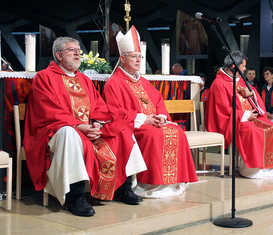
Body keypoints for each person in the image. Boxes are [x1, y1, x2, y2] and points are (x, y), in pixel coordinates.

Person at [23, 37, 146, 217]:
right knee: (69, 133)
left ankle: (122, 187)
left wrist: (98, 122)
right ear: (59, 55)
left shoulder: (84, 79)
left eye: (78, 50)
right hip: (54, 131)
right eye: (71, 50)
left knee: (122, 128)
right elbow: (47, 110)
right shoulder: (44, 77)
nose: (77, 53)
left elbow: (98, 106)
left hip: (87, 130)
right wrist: (78, 126)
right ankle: (75, 196)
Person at [102, 26, 198, 198]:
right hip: (132, 127)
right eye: (134, 57)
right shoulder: (114, 83)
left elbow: (158, 101)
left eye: (140, 57)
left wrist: (161, 117)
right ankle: (150, 184)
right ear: (123, 59)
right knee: (154, 136)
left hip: (152, 123)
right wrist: (143, 119)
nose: (138, 60)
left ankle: (173, 181)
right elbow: (114, 112)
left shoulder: (144, 82)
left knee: (177, 132)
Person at [205, 51, 273, 178]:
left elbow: (253, 93)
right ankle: (250, 170)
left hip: (248, 117)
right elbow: (222, 110)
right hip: (234, 121)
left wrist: (250, 94)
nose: (245, 69)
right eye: (243, 66)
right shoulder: (219, 84)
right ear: (234, 66)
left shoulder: (240, 80)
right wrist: (245, 115)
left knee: (272, 127)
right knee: (253, 132)